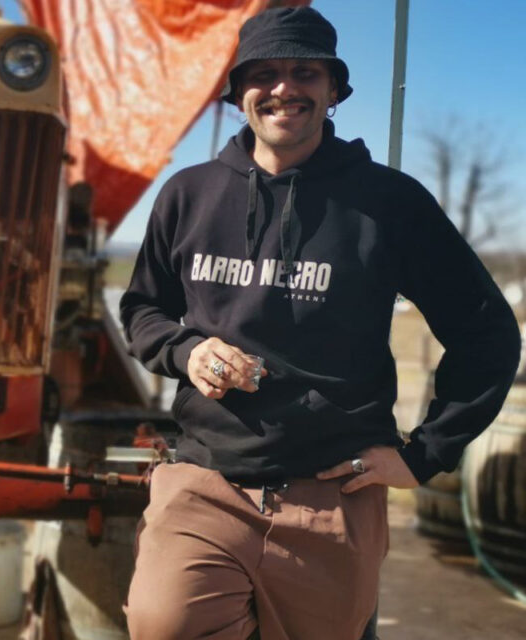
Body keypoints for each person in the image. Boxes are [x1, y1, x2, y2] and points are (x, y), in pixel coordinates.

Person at [120, 7, 520, 640]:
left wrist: (423, 456)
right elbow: (142, 308)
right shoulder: (187, 195)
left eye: (305, 72)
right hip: (206, 478)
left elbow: (488, 334)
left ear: (333, 90)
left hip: (333, 493)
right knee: (165, 624)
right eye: (265, 73)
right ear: (238, 93)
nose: (284, 88)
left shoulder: (389, 203)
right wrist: (184, 350)